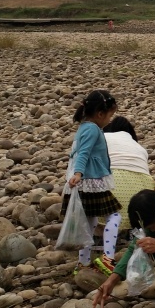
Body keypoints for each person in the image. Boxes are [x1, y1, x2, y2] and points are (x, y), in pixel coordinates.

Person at [63, 89, 121, 275]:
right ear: (100, 114)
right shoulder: (92, 129)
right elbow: (83, 153)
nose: (110, 120)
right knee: (114, 216)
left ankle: (84, 263)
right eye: (110, 115)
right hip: (91, 181)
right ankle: (108, 258)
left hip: (86, 181)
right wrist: (79, 173)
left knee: (89, 222)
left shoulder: (84, 127)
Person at [103, 117, 154, 231]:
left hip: (112, 188)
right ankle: (130, 228)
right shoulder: (139, 147)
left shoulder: (102, 137)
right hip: (143, 197)